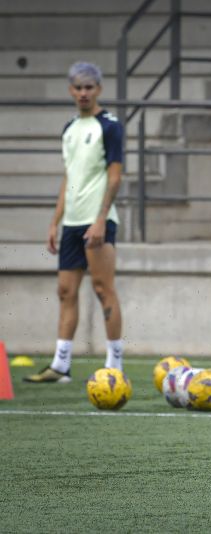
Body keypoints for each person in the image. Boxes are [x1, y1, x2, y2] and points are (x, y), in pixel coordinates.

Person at [25, 62, 124, 383]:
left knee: (102, 288)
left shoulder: (109, 126)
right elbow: (70, 177)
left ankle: (114, 365)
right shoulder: (69, 128)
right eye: (78, 87)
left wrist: (99, 220)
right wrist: (55, 222)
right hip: (71, 222)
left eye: (89, 87)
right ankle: (61, 365)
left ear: (99, 90)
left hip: (98, 222)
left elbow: (115, 176)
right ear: (71, 90)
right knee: (66, 291)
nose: (84, 93)